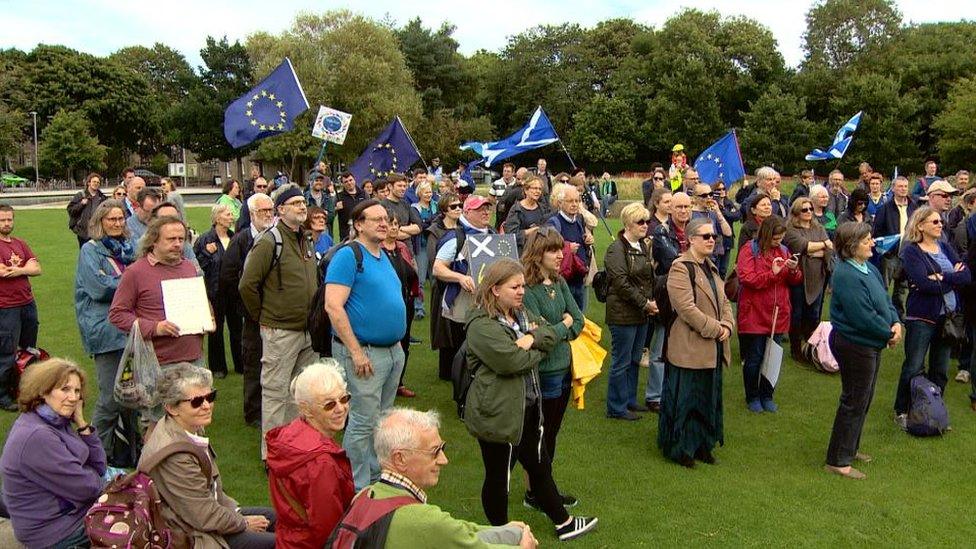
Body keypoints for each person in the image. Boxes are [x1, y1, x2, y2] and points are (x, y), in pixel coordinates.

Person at [464, 259, 598, 541]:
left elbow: (546, 332)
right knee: (499, 476)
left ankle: (564, 523)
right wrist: (538, 345)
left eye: (523, 285)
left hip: (527, 406)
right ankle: (501, 535)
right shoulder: (481, 325)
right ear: (495, 289)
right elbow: (512, 361)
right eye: (515, 286)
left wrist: (530, 339)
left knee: (538, 466)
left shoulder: (520, 313)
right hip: (498, 412)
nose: (522, 291)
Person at [339, 408, 539, 548]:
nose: (444, 460)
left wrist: (505, 530)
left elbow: (455, 532)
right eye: (434, 452)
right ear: (400, 459)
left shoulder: (365, 495)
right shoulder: (423, 520)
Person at [139, 362, 276, 548]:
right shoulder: (174, 453)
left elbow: (212, 495)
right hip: (191, 534)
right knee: (281, 543)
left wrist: (236, 513)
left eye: (210, 396)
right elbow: (202, 515)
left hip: (208, 516)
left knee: (282, 519)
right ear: (172, 408)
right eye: (196, 401)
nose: (206, 406)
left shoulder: (187, 427)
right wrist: (243, 522)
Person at [324, 200, 407, 489]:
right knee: (362, 421)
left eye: (386, 218)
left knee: (380, 419)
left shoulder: (381, 255)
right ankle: (356, 486)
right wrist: (356, 352)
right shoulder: (349, 256)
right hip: (364, 353)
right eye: (377, 219)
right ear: (359, 224)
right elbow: (333, 307)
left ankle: (373, 476)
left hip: (391, 352)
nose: (385, 224)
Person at [239, 185, 318, 458]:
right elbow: (247, 285)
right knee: (274, 392)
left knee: (299, 394)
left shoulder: (305, 239)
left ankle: (293, 446)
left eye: (303, 202)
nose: (302, 206)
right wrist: (263, 316)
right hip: (280, 330)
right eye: (295, 202)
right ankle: (272, 454)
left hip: (307, 331)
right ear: (280, 209)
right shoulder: (269, 241)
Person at [0, 358, 106, 548]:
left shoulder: (56, 421)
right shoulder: (37, 435)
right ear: (43, 390)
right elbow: (87, 488)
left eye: (76, 391)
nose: (73, 398)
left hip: (70, 513)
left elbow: (99, 466)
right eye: (65, 389)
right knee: (134, 525)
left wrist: (82, 423)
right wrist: (96, 477)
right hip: (56, 531)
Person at [825, 223, 902, 479]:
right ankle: (837, 459)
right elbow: (862, 316)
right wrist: (888, 333)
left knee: (864, 398)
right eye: (866, 240)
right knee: (854, 400)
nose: (872, 243)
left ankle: (850, 447)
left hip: (871, 342)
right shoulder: (846, 274)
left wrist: (895, 322)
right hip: (855, 344)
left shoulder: (869, 267)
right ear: (851, 246)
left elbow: (885, 300)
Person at [659, 217, 735, 468]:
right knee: (686, 399)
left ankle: (703, 444)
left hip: (711, 346)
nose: (712, 240)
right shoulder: (681, 268)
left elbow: (724, 302)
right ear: (691, 239)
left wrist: (727, 325)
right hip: (690, 346)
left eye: (713, 236)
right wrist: (716, 329)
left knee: (707, 398)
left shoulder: (711, 267)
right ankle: (681, 448)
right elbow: (686, 309)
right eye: (705, 236)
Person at [521, 228, 584, 508]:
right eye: (553, 250)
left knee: (552, 433)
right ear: (537, 254)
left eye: (561, 249)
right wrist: (564, 325)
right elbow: (540, 337)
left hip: (563, 368)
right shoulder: (527, 289)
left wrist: (560, 329)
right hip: (542, 372)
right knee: (540, 435)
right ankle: (538, 492)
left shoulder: (559, 282)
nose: (561, 255)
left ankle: (540, 489)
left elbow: (579, 320)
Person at [893, 207, 971, 429]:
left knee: (941, 368)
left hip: (947, 317)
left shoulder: (945, 246)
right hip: (922, 318)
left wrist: (942, 276)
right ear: (920, 225)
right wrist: (951, 278)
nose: (940, 225)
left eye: (940, 222)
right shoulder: (912, 251)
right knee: (914, 365)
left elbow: (966, 276)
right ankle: (902, 410)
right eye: (934, 222)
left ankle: (934, 411)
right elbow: (923, 283)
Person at [75, 200, 139, 464]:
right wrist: (132, 283)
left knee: (133, 395)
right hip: (104, 330)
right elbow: (98, 288)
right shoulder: (91, 251)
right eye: (111, 219)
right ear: (99, 222)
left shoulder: (129, 248)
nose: (117, 223)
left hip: (130, 328)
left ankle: (129, 452)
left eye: (120, 218)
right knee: (111, 398)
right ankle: (94, 454)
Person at [265, 360, 354, 549]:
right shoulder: (321, 463)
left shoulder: (287, 437)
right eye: (329, 404)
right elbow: (328, 528)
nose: (341, 408)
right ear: (306, 409)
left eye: (344, 398)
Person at [736, 216, 801, 413]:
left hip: (778, 312)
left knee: (773, 356)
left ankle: (767, 394)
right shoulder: (750, 249)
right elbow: (747, 278)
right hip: (755, 312)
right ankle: (752, 396)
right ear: (766, 234)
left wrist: (793, 270)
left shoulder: (783, 250)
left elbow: (796, 280)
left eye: (781, 238)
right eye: (775, 238)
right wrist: (772, 274)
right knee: (755, 356)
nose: (779, 242)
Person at [220, 192, 274, 425]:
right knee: (253, 360)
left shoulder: (275, 237)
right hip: (252, 313)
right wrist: (247, 307)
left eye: (270, 211)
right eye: (263, 211)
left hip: (273, 312)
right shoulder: (241, 240)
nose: (268, 215)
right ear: (252, 214)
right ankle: (253, 412)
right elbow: (229, 276)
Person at [432, 195, 494, 381]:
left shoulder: (493, 234)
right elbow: (437, 268)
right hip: (462, 302)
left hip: (488, 303)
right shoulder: (455, 237)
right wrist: (459, 277)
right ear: (467, 212)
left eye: (487, 208)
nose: (485, 212)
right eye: (479, 209)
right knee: (463, 349)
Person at [605, 203, 657, 420]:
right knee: (621, 361)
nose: (645, 225)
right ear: (628, 223)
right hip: (623, 313)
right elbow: (621, 283)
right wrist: (645, 303)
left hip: (640, 313)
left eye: (647, 221)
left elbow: (647, 278)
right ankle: (616, 407)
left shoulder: (642, 246)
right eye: (640, 222)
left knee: (635, 358)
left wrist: (651, 300)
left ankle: (629, 399)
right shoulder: (616, 249)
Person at [0, 204, 42, 411]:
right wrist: (25, 269)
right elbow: (2, 272)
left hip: (27, 302)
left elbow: (37, 268)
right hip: (6, 306)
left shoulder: (20, 243)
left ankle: (23, 387)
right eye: (2, 220)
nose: (7, 223)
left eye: (9, 219)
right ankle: (2, 394)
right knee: (6, 350)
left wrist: (17, 270)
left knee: (28, 349)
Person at [784, 197, 834, 363]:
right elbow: (803, 246)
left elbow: (830, 249)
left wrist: (815, 249)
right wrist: (821, 245)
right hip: (798, 277)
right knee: (797, 314)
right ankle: (796, 349)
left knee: (813, 314)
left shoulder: (817, 227)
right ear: (797, 212)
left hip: (818, 277)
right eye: (804, 210)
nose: (808, 212)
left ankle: (812, 347)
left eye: (810, 209)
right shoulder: (790, 229)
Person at [194, 204, 236, 378]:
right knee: (216, 331)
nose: (231, 217)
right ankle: (218, 368)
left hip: (234, 291)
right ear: (218, 218)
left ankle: (240, 364)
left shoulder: (234, 237)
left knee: (237, 329)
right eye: (228, 214)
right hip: (214, 291)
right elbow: (196, 266)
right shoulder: (205, 239)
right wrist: (206, 252)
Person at [380, 214, 420, 398]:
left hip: (406, 303)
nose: (394, 227)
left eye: (396, 224)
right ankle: (381, 384)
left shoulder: (402, 247)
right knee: (385, 344)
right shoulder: (376, 250)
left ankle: (398, 383)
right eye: (390, 224)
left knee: (403, 345)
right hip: (384, 306)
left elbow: (413, 271)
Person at [872, 176, 918, 319]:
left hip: (907, 254)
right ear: (893, 188)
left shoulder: (913, 207)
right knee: (884, 286)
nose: (903, 189)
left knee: (902, 288)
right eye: (900, 186)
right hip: (890, 255)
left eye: (905, 186)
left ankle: (899, 315)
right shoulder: (885, 208)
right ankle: (882, 313)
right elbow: (877, 230)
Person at [546, 185, 593, 312]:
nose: (574, 204)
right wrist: (566, 247)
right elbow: (548, 247)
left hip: (579, 280)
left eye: (577, 201)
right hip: (563, 282)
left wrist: (587, 240)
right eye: (570, 201)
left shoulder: (578, 220)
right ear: (560, 203)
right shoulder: (554, 222)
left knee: (580, 321)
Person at [411, 180, 438, 319]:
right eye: (426, 192)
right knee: (420, 280)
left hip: (435, 246)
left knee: (436, 279)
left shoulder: (436, 205)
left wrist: (427, 223)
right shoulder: (414, 207)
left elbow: (438, 221)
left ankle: (437, 308)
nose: (429, 194)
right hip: (421, 247)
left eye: (430, 191)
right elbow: (419, 224)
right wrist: (430, 223)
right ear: (420, 193)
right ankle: (419, 308)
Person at [67, 172, 106, 248]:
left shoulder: (102, 198)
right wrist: (81, 204)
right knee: (84, 254)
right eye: (94, 181)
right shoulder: (80, 195)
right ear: (89, 183)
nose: (96, 184)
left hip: (97, 231)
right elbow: (70, 210)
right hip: (83, 232)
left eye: (98, 182)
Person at [335, 171, 367, 241]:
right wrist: (336, 208)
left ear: (354, 180)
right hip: (346, 234)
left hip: (363, 231)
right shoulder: (339, 197)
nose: (349, 183)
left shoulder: (364, 194)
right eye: (346, 182)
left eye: (350, 180)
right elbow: (331, 216)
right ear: (342, 184)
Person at [490, 163, 517, 229]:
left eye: (508, 171)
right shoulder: (497, 183)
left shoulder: (516, 183)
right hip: (500, 213)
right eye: (504, 171)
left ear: (513, 173)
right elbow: (490, 196)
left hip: (513, 212)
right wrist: (496, 203)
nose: (506, 173)